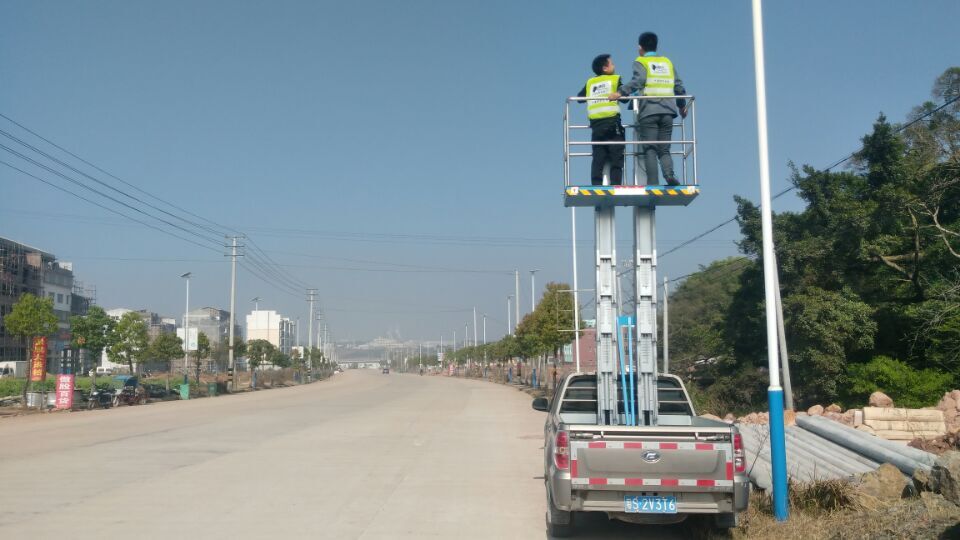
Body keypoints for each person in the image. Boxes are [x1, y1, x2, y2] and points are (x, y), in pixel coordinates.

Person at [609, 32, 687, 186]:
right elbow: (678, 86)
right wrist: (681, 105)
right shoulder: (667, 62)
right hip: (668, 111)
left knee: (650, 149)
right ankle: (669, 175)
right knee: (664, 149)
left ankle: (653, 183)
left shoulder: (641, 61)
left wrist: (620, 92)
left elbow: (638, 81)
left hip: (649, 111)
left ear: (640, 47)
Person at [578, 54, 626, 186]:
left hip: (597, 127)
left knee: (598, 159)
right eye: (612, 63)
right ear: (605, 68)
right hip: (612, 125)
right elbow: (625, 97)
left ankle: (596, 186)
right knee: (616, 158)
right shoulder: (615, 79)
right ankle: (615, 185)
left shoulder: (590, 82)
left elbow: (580, 98)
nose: (614, 66)